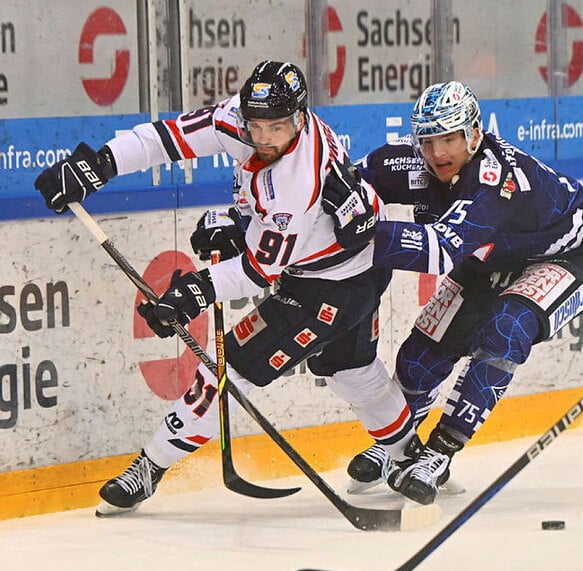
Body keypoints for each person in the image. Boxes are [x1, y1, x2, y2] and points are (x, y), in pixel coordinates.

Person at [33, 61, 421, 516]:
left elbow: (258, 271)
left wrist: (192, 292)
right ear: (245, 115)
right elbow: (168, 138)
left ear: (300, 117)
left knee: (228, 368)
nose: (266, 138)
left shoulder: (298, 180)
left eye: (278, 126)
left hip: (330, 285)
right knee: (351, 367)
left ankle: (149, 466)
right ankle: (409, 459)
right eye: (258, 126)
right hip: (357, 261)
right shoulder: (236, 118)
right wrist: (101, 163)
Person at [326, 81, 583, 505]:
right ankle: (401, 441)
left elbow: (441, 248)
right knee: (423, 352)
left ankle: (439, 453)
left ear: (473, 134)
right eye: (428, 140)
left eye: (450, 138)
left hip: (573, 255)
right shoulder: (411, 161)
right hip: (497, 254)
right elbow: (340, 185)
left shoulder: (495, 183)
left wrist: (364, 234)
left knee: (506, 327)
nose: (438, 153)